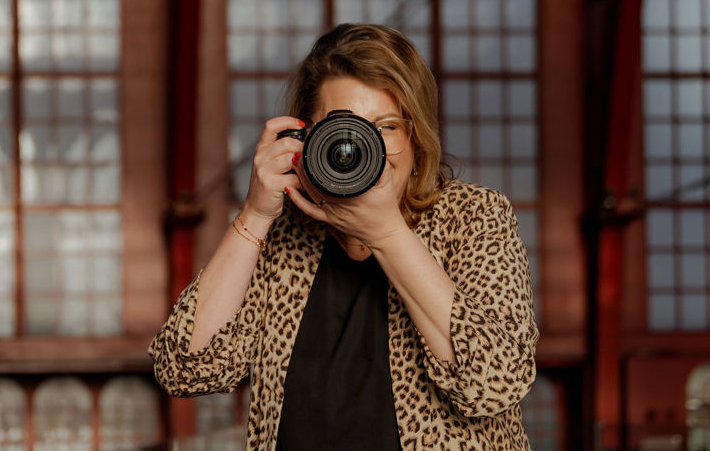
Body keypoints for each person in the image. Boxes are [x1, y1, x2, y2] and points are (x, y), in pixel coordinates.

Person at [150, 23, 538, 450]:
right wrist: (256, 214)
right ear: (305, 137)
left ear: (416, 136)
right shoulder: (284, 235)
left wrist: (388, 234)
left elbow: (495, 383)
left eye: (385, 126)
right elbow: (185, 368)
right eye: (343, 129)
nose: (360, 146)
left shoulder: (472, 216)